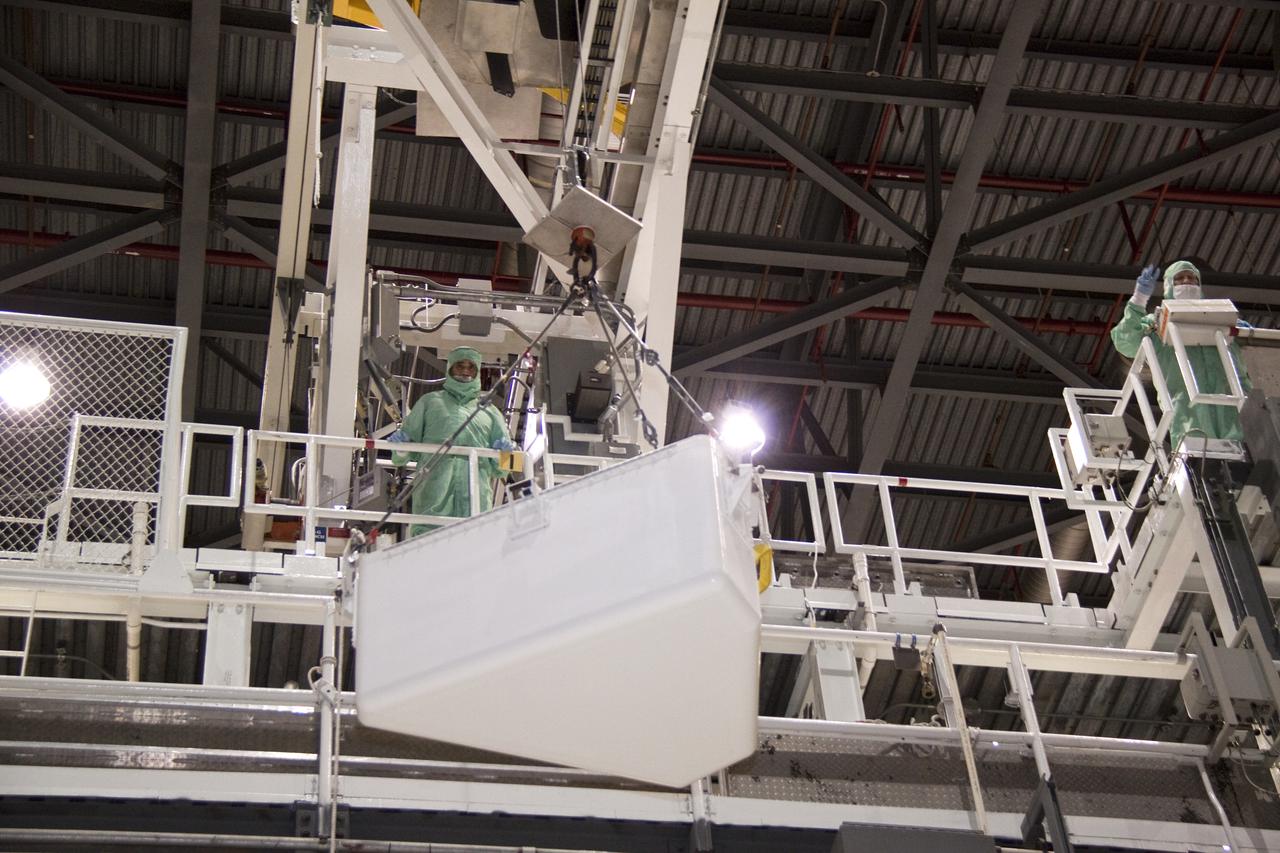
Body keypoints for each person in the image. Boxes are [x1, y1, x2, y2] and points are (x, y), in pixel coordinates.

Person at [1110, 260, 1251, 451]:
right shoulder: (1157, 324)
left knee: (1247, 442)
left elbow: (1252, 346)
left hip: (1233, 396)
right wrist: (1139, 298)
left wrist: (1248, 333)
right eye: (1179, 278)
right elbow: (1126, 341)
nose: (1187, 282)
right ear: (1168, 286)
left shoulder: (1222, 319)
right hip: (1185, 401)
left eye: (1192, 278)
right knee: (1198, 447)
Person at [389, 346, 515, 536]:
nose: (465, 371)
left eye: (471, 367)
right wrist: (400, 448)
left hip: (475, 500)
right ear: (449, 369)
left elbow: (508, 466)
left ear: (477, 372)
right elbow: (401, 457)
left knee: (475, 543)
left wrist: (507, 454)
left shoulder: (490, 411)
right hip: (432, 497)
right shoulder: (429, 402)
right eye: (459, 366)